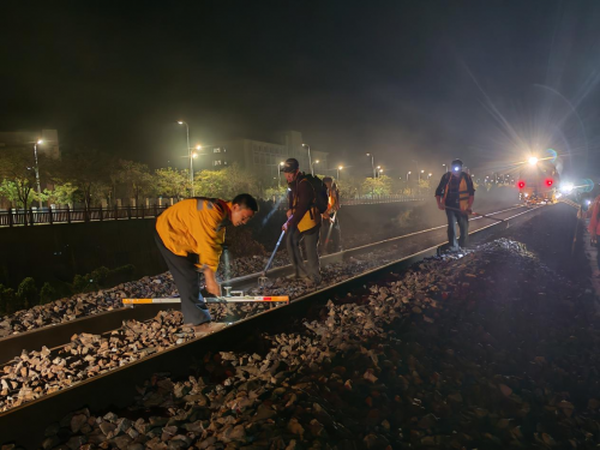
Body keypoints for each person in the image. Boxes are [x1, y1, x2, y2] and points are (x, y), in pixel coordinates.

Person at [155, 194, 258, 331]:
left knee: (193, 275)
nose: (244, 222)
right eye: (244, 217)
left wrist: (208, 272)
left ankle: (195, 317)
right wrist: (210, 278)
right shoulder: (211, 213)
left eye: (248, 219)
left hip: (183, 234)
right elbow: (207, 244)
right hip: (169, 232)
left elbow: (215, 247)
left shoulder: (220, 217)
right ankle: (198, 324)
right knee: (187, 276)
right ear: (235, 207)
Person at [281, 158, 322, 285]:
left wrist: (289, 222)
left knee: (310, 249)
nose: (287, 175)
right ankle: (300, 272)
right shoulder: (293, 184)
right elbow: (294, 203)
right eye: (285, 172)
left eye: (290, 173)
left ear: (297, 171)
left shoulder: (304, 184)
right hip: (299, 221)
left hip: (310, 221)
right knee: (291, 241)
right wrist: (290, 211)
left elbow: (303, 206)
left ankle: (315, 277)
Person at [435, 159, 475, 251]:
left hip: (463, 207)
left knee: (464, 227)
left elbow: (471, 194)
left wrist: (469, 207)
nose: (456, 170)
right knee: (452, 227)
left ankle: (463, 246)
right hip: (450, 206)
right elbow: (438, 191)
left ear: (461, 168)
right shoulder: (446, 177)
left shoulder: (467, 177)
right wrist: (439, 203)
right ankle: (453, 246)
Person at [320, 176, 342, 253]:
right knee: (324, 231)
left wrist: (336, 206)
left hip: (332, 213)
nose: (328, 186)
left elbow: (337, 202)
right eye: (327, 184)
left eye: (330, 184)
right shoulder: (321, 192)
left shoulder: (334, 191)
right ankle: (325, 247)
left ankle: (337, 246)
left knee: (335, 230)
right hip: (324, 214)